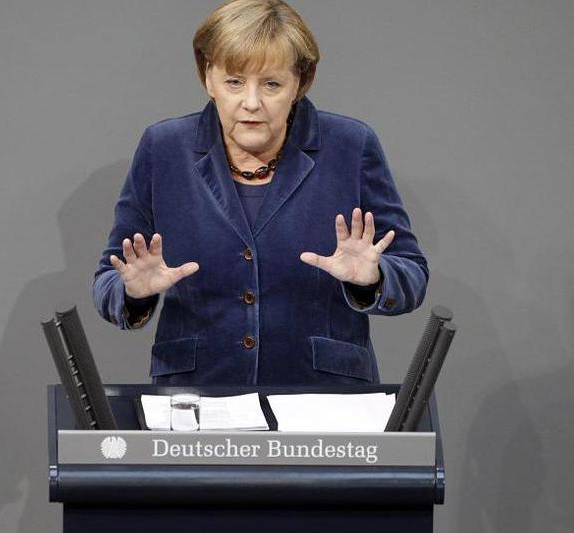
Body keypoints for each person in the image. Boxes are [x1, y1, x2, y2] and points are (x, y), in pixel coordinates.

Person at [93, 0, 428, 386]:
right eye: (234, 82)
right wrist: (133, 293)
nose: (251, 103)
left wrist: (372, 279)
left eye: (271, 84)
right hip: (199, 397)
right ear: (208, 77)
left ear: (300, 82)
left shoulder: (351, 146)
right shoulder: (163, 148)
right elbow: (109, 278)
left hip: (324, 400)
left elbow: (411, 272)